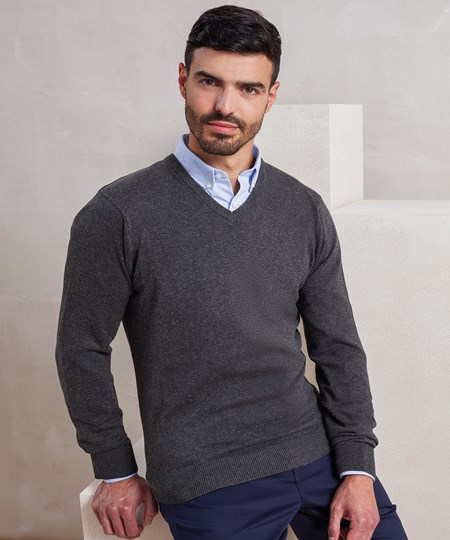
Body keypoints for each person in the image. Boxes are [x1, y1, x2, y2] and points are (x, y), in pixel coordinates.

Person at [55, 5, 408, 540]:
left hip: (318, 453)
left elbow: (338, 346)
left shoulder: (302, 207)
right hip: (207, 476)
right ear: (183, 80)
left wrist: (358, 467)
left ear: (271, 95)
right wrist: (115, 467)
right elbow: (80, 347)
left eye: (248, 88)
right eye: (209, 82)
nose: (225, 105)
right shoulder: (118, 214)